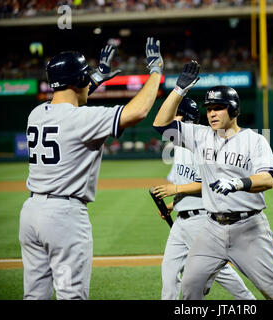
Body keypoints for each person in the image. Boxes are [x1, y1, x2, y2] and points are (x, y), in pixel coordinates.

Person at [18, 37, 164, 300]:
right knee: (71, 295)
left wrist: (96, 77)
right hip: (63, 218)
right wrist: (155, 72)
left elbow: (70, 98)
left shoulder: (37, 113)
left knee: (35, 296)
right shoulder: (83, 119)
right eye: (85, 78)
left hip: (31, 215)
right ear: (78, 82)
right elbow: (138, 111)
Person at [153, 61, 273, 300]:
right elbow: (161, 125)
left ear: (234, 110)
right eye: (209, 109)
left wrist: (238, 183)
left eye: (219, 108)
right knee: (189, 289)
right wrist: (179, 90)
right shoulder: (199, 135)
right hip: (212, 229)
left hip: (249, 228)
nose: (212, 113)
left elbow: (269, 178)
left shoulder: (254, 140)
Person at [152, 97, 256, 300]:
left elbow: (208, 184)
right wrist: (173, 205)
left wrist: (175, 189)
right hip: (181, 222)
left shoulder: (199, 143)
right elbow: (185, 183)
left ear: (183, 117)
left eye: (174, 115)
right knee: (169, 272)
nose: (170, 119)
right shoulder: (180, 146)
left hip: (201, 218)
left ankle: (247, 300)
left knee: (218, 271)